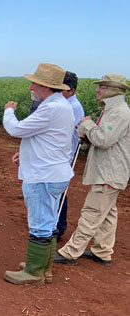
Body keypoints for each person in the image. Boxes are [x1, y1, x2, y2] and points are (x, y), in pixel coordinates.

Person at [2, 63, 74, 285]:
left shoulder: (50, 108)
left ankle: (33, 273)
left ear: (46, 87)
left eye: (34, 83)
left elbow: (15, 129)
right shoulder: (61, 105)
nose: (30, 87)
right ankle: (44, 268)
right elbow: (48, 140)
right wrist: (25, 154)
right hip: (55, 172)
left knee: (40, 224)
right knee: (50, 223)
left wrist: (8, 111)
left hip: (43, 175)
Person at [55, 74, 130, 267]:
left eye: (103, 87)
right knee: (107, 213)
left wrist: (87, 123)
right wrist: (88, 134)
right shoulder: (111, 110)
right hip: (109, 170)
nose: (98, 90)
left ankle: (70, 252)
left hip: (109, 172)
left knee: (92, 212)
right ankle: (102, 251)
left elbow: (103, 140)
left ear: (114, 90)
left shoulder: (119, 112)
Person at [27, 72, 85, 240]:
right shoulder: (62, 103)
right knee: (54, 194)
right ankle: (53, 228)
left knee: (57, 195)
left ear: (71, 90)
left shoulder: (70, 106)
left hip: (61, 156)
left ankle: (58, 228)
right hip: (57, 155)